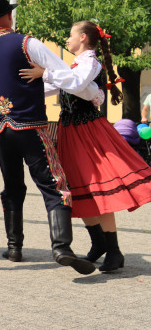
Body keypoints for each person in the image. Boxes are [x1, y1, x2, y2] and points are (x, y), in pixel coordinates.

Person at [0, 0, 95, 275]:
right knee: (54, 184)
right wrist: (94, 92)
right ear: (9, 16)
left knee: (12, 187)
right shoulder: (27, 42)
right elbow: (65, 74)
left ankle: (14, 247)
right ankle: (61, 247)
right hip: (30, 125)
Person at [20, 20, 151, 273]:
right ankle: (99, 243)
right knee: (79, 189)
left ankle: (114, 251)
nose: (66, 40)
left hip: (89, 131)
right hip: (71, 130)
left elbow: (77, 84)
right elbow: (61, 85)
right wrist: (26, 85)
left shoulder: (90, 61)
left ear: (82, 37)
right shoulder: (71, 66)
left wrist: (45, 73)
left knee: (99, 187)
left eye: (70, 35)